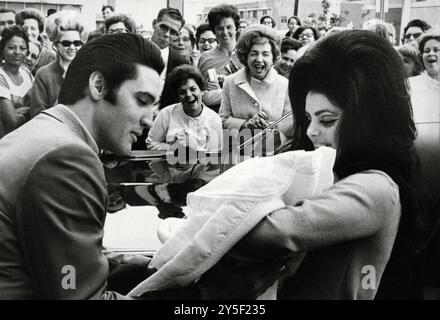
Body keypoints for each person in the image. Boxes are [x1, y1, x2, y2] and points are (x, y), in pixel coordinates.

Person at [208, 30, 425, 299]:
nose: (311, 131)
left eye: (327, 120)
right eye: (308, 118)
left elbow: (267, 234)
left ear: (366, 119)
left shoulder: (376, 186)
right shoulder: (332, 168)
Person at [0, 33, 165, 299]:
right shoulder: (68, 158)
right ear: (98, 85)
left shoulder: (48, 131)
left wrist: (120, 263)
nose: (149, 120)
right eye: (142, 101)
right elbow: (74, 291)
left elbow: (59, 259)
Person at [219, 25, 293, 146]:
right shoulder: (231, 82)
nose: (259, 59)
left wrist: (270, 127)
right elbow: (222, 120)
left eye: (265, 54)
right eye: (254, 53)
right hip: (239, 151)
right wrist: (245, 124)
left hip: (272, 152)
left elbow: (290, 124)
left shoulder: (284, 84)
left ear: (273, 57)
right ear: (245, 56)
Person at [147, 65, 222, 152]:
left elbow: (215, 156)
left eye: (193, 89)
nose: (188, 95)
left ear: (201, 91)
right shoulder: (166, 114)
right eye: (182, 92)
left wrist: (194, 147)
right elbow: (151, 143)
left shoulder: (214, 120)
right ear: (178, 96)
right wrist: (173, 148)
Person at [29, 10, 88, 118]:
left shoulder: (89, 71)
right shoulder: (44, 74)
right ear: (55, 45)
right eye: (66, 43)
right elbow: (36, 114)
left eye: (77, 43)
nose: (72, 47)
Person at [197, 4, 243, 112]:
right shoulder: (206, 58)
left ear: (236, 28)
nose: (225, 32)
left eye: (229, 27)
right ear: (214, 31)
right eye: (220, 28)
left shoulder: (246, 54)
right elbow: (200, 92)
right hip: (215, 117)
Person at [0, 26, 33, 139]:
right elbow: (12, 121)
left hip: (27, 137)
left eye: (22, 48)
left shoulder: (26, 72)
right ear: (2, 49)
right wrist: (32, 110)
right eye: (11, 47)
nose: (17, 52)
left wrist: (20, 111)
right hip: (6, 140)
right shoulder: (1, 77)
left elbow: (39, 104)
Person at [14, 8, 56, 75]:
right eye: (25, 28)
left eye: (33, 29)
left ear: (39, 31)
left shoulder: (49, 57)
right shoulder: (12, 50)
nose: (29, 32)